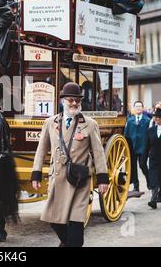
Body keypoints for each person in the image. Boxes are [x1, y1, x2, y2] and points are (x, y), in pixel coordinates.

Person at [31, 82, 109, 247]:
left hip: (79, 180)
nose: (74, 103)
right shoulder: (50, 123)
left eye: (77, 100)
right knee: (53, 220)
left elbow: (99, 153)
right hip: (58, 178)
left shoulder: (90, 124)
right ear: (62, 101)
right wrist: (36, 173)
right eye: (70, 100)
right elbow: (41, 150)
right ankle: (66, 243)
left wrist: (103, 178)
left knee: (76, 227)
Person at [124, 101, 150, 192]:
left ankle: (149, 180)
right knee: (133, 167)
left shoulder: (147, 120)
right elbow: (126, 134)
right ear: (134, 108)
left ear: (143, 108)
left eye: (140, 106)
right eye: (136, 106)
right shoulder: (130, 120)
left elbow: (150, 134)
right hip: (132, 147)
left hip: (143, 147)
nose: (138, 108)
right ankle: (136, 185)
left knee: (143, 165)